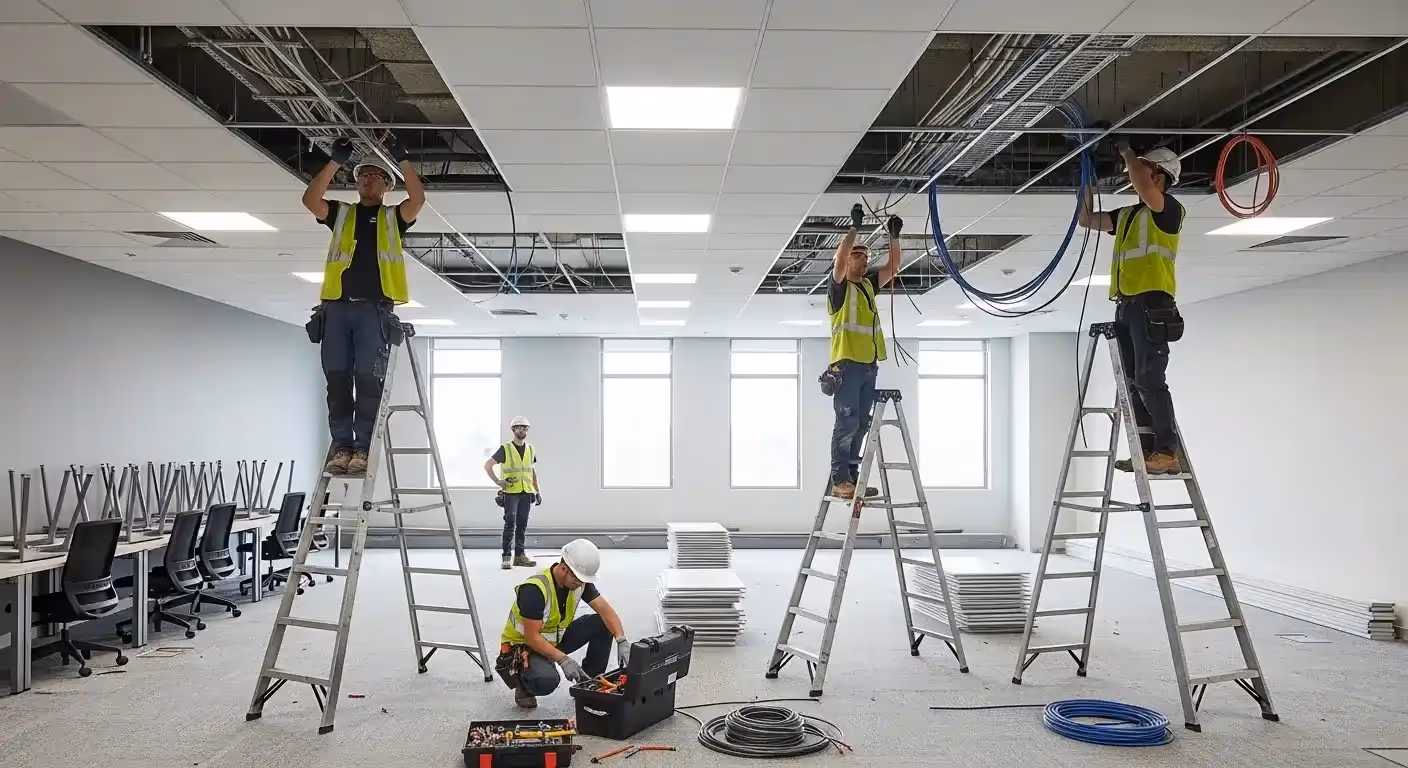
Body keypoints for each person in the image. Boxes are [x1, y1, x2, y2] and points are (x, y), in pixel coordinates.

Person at [301, 136, 425, 476]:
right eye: (361, 175)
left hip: (374, 310)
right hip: (337, 308)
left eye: (373, 175)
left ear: (386, 185)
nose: (366, 180)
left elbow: (418, 199)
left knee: (368, 379)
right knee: (338, 379)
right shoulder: (342, 213)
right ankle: (343, 447)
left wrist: (404, 160)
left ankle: (363, 449)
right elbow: (311, 200)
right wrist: (334, 162)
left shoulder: (392, 218)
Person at [1078, 142, 1186, 475]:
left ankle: (1167, 450)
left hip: (1152, 305)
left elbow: (1144, 185)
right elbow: (1085, 219)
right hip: (1126, 305)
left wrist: (1127, 151)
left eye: (1145, 169)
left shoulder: (1168, 210)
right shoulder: (1127, 215)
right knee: (1131, 382)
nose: (1134, 175)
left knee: (1150, 379)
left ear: (1161, 176)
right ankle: (1146, 451)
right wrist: (1085, 177)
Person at [824, 203, 902, 500]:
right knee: (847, 421)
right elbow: (839, 261)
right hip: (845, 367)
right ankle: (840, 478)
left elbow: (893, 267)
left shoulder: (868, 286)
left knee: (861, 423)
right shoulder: (839, 289)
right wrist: (854, 227)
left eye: (866, 256)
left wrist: (894, 237)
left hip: (868, 367)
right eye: (858, 255)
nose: (864, 259)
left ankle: (853, 478)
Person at [495, 539, 630, 710]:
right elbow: (531, 637)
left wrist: (621, 639)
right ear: (564, 568)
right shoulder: (534, 589)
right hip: (524, 648)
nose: (581, 584)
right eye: (578, 579)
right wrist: (563, 659)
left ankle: (590, 683)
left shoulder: (579, 583)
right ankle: (525, 684)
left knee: (602, 623)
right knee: (546, 680)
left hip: (554, 639)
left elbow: (605, 610)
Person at [484, 416, 542, 570]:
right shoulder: (506, 448)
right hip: (511, 492)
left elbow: (532, 471)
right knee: (510, 524)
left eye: (524, 427)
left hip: (526, 491)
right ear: (513, 430)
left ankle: (519, 556)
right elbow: (488, 465)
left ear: (527, 430)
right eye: (518, 427)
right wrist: (498, 482)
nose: (522, 429)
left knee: (522, 525)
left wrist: (537, 490)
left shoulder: (531, 449)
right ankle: (506, 557)